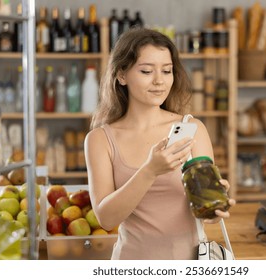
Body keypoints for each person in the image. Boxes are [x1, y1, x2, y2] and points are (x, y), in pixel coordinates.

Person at [84, 27, 235, 260]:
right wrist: (150, 171)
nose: (159, 81)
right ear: (121, 75)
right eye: (146, 71)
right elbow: (106, 219)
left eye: (167, 71)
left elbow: (205, 213)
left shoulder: (192, 129)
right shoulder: (100, 139)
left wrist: (215, 208)